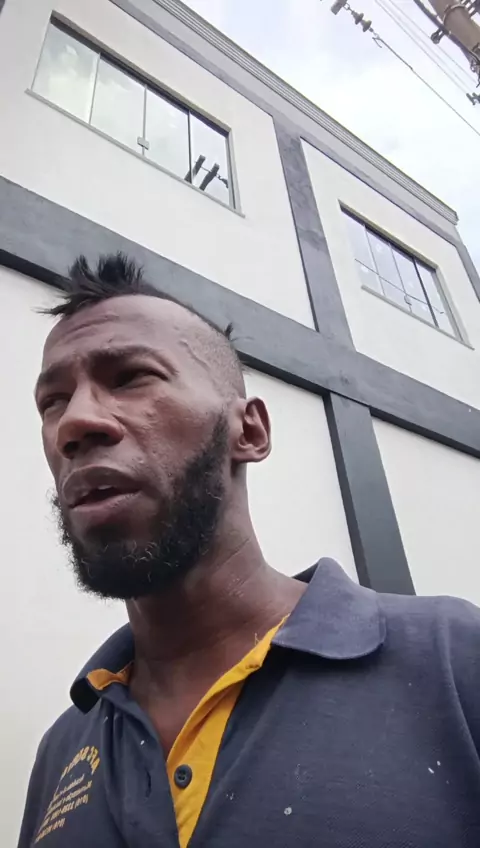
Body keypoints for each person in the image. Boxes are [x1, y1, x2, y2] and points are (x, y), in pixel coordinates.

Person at [19, 253, 480, 848]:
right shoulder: (63, 748)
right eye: (53, 402)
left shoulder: (452, 658)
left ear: (250, 431)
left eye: (130, 377)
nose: (73, 424)